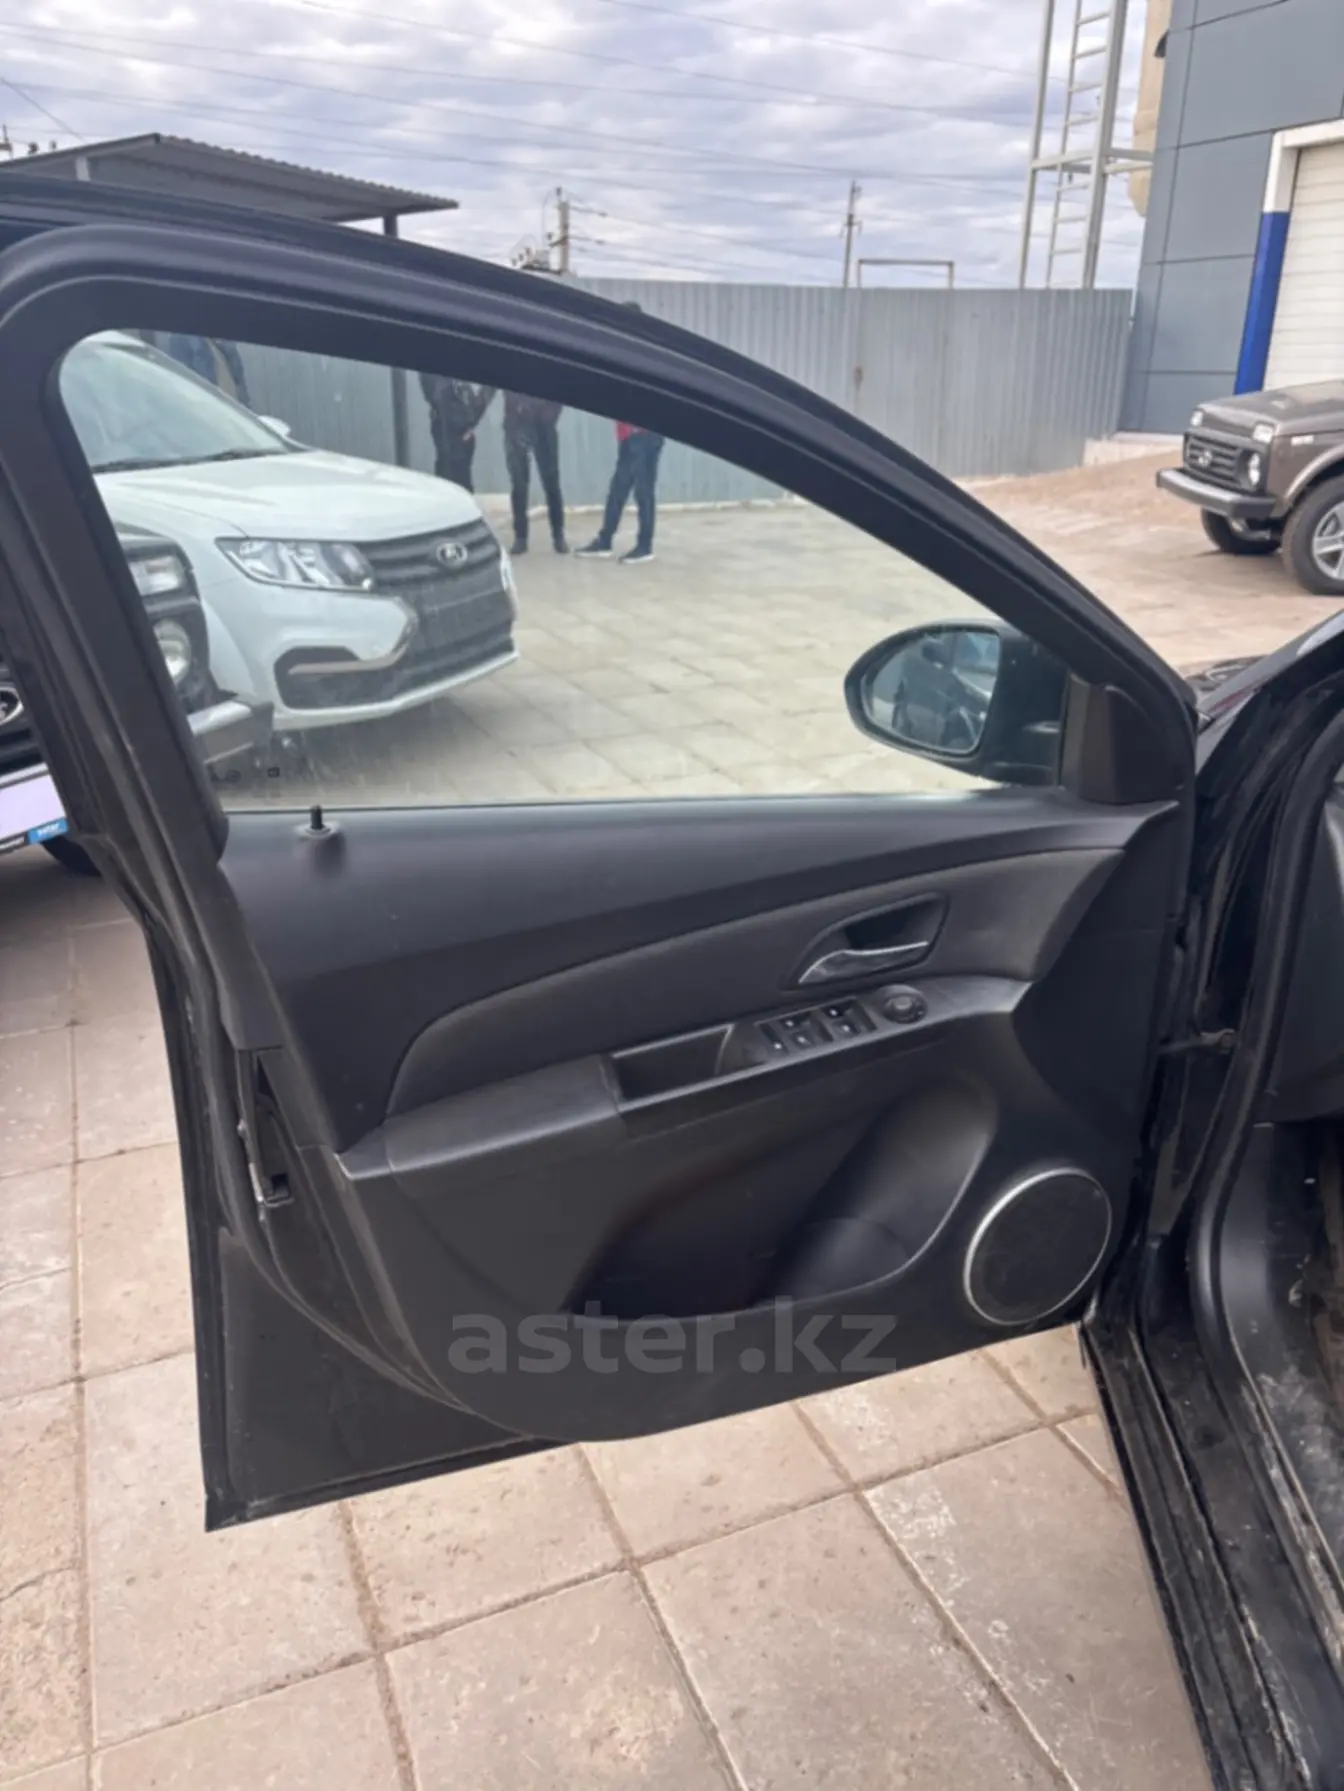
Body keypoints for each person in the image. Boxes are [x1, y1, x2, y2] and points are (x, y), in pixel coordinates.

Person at [576, 303, 665, 565]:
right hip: (632, 434)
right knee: (619, 490)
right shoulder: (634, 350)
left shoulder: (642, 352)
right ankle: (605, 541)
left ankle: (644, 546)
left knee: (642, 491)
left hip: (642, 434)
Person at [503, 390, 567, 554]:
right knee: (519, 485)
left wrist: (550, 416)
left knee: (551, 483)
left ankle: (558, 535)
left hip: (543, 426)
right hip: (516, 426)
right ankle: (520, 537)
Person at [419, 374, 496, 491]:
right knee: (452, 474)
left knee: (453, 475)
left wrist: (471, 419)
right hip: (452, 425)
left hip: (455, 425)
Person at [160, 334, 252, 406]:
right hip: (209, 412)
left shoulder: (226, 344)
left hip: (235, 413)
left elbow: (240, 383)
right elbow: (183, 384)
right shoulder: (181, 340)